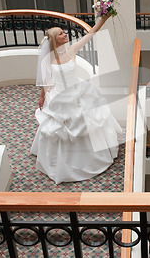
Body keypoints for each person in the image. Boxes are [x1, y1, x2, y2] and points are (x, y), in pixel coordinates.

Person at [30, 14, 122, 184]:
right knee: (62, 128)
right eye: (61, 34)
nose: (65, 35)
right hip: (59, 96)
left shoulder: (71, 50)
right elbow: (46, 80)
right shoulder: (47, 59)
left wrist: (104, 19)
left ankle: (92, 159)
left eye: (64, 33)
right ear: (53, 40)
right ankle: (64, 164)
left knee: (87, 121)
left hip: (78, 92)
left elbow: (91, 34)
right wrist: (42, 96)